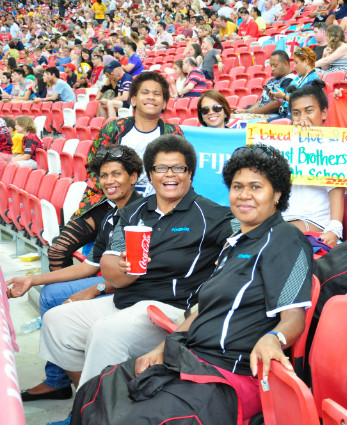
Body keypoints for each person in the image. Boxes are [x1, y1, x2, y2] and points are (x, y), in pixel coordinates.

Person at [69, 143, 312, 425]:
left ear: (277, 193)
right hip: (191, 360)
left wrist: (275, 338)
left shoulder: (285, 239)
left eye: (256, 187)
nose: (244, 195)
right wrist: (164, 347)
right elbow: (203, 309)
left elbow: (294, 316)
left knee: (131, 417)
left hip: (229, 376)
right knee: (97, 392)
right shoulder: (234, 243)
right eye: (237, 187)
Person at [39, 135, 235, 398]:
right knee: (57, 320)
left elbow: (249, 235)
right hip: (125, 300)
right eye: (161, 168)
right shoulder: (133, 211)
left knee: (105, 332)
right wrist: (122, 268)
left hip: (170, 308)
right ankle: (92, 399)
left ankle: (93, 407)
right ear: (150, 175)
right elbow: (109, 263)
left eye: (178, 167)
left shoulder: (213, 215)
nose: (169, 174)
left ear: (190, 173)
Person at [8, 146, 143, 402]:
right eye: (104, 176)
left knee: (53, 298)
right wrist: (32, 280)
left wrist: (95, 289)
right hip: (110, 281)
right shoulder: (111, 214)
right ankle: (70, 387)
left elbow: (135, 274)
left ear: (134, 177)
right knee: (50, 293)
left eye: (116, 174)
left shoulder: (142, 213)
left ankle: (85, 398)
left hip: (132, 289)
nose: (109, 181)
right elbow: (89, 266)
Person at [47, 72, 184, 272]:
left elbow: (179, 171)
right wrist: (112, 191)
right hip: (105, 202)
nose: (151, 97)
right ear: (133, 99)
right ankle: (69, 289)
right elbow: (93, 165)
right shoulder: (115, 128)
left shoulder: (173, 133)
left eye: (157, 94)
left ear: (164, 103)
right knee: (58, 250)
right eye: (145, 92)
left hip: (151, 208)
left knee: (120, 265)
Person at [285, 80, 346, 247]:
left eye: (309, 111)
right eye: (296, 113)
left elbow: (337, 192)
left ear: (324, 113)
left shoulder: (334, 147)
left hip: (314, 224)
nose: (302, 118)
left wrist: (334, 229)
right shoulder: (282, 146)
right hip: (281, 220)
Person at [238, 50, 294, 115]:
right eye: (271, 66)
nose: (272, 69)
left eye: (275, 66)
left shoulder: (289, 79)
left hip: (271, 116)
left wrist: (249, 112)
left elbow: (278, 103)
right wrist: (247, 111)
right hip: (258, 114)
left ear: (285, 64)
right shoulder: (272, 80)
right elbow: (261, 100)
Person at [270, 47, 321, 117]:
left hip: (299, 118)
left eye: (296, 63)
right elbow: (285, 101)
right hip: (285, 115)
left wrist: (284, 96)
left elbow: (304, 102)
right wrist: (277, 98)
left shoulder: (313, 80)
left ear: (306, 62)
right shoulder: (297, 79)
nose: (294, 66)